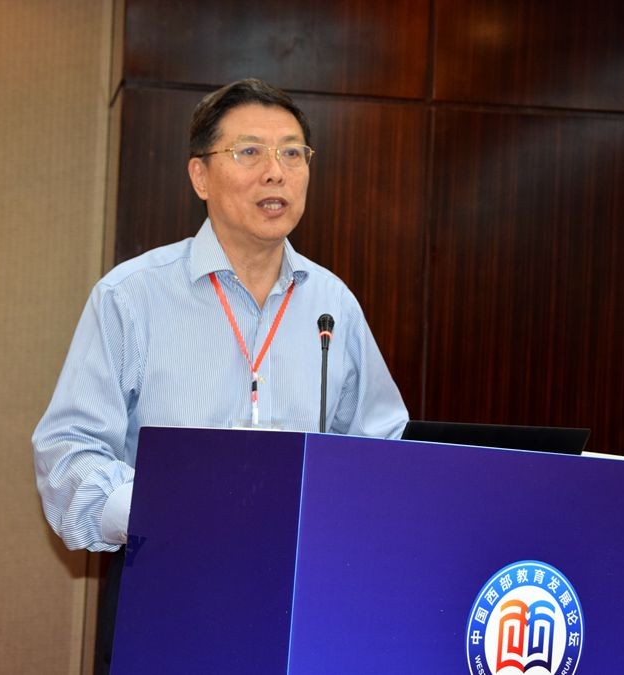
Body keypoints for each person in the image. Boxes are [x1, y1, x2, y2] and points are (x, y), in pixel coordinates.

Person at [33, 78, 408, 553]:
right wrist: (163, 510)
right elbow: (68, 450)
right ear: (200, 176)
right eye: (249, 152)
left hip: (301, 568)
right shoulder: (131, 296)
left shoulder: (333, 304)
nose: (276, 172)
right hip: (167, 562)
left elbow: (383, 446)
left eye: (292, 153)